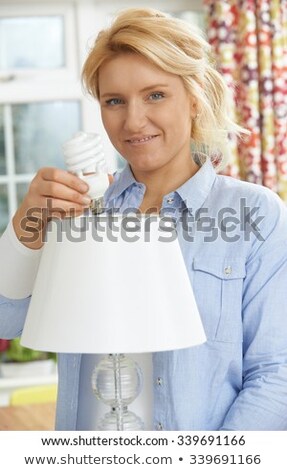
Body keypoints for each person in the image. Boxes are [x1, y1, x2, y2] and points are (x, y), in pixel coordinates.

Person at [1, 7, 287, 431]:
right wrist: (25, 231)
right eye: (114, 101)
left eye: (155, 95)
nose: (133, 121)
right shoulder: (71, 213)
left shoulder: (254, 214)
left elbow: (275, 374)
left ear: (194, 97)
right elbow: (7, 321)